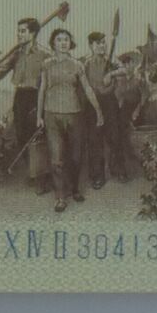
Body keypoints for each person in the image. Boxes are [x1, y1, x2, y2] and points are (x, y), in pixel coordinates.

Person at [37, 28, 104, 213]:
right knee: (56, 158)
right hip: (51, 115)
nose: (63, 43)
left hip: (74, 115)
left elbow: (88, 89)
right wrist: (39, 117)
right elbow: (42, 90)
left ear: (70, 43)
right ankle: (60, 197)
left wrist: (98, 111)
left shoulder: (77, 65)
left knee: (75, 156)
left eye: (66, 39)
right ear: (53, 43)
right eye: (59, 40)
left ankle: (75, 189)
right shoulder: (46, 64)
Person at [0, 17, 51, 193]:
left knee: (37, 137)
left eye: (23, 31)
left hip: (37, 96)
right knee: (22, 135)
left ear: (33, 33)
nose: (19, 35)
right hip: (20, 97)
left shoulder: (45, 54)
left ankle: (42, 178)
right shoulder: (16, 54)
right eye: (18, 31)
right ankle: (33, 171)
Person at [81, 32, 117, 189]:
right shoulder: (86, 63)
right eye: (98, 43)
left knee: (114, 136)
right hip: (92, 104)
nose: (102, 46)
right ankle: (97, 176)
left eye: (103, 42)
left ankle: (117, 169)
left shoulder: (111, 61)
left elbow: (127, 70)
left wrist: (112, 73)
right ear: (91, 46)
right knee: (94, 140)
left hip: (110, 102)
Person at [107, 51, 148, 182]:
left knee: (131, 140)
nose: (128, 65)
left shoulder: (140, 78)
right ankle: (120, 169)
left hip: (135, 110)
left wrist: (137, 111)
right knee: (117, 138)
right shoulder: (119, 78)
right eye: (125, 63)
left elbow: (144, 97)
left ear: (135, 64)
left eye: (130, 63)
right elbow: (113, 94)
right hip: (120, 111)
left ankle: (139, 167)